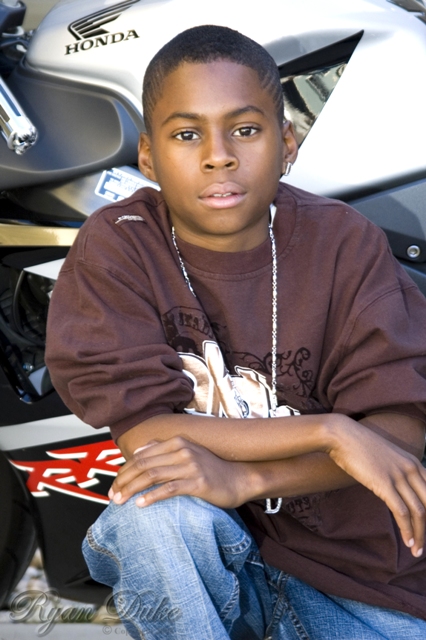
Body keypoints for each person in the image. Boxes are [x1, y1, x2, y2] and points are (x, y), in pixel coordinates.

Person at [45, 25, 426, 640]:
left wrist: (251, 478)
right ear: (148, 155)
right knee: (154, 514)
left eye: (245, 130)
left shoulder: (342, 242)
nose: (217, 155)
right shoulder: (119, 246)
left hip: (358, 583)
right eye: (186, 134)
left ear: (287, 142)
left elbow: (398, 432)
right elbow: (147, 434)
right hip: (210, 567)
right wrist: (331, 431)